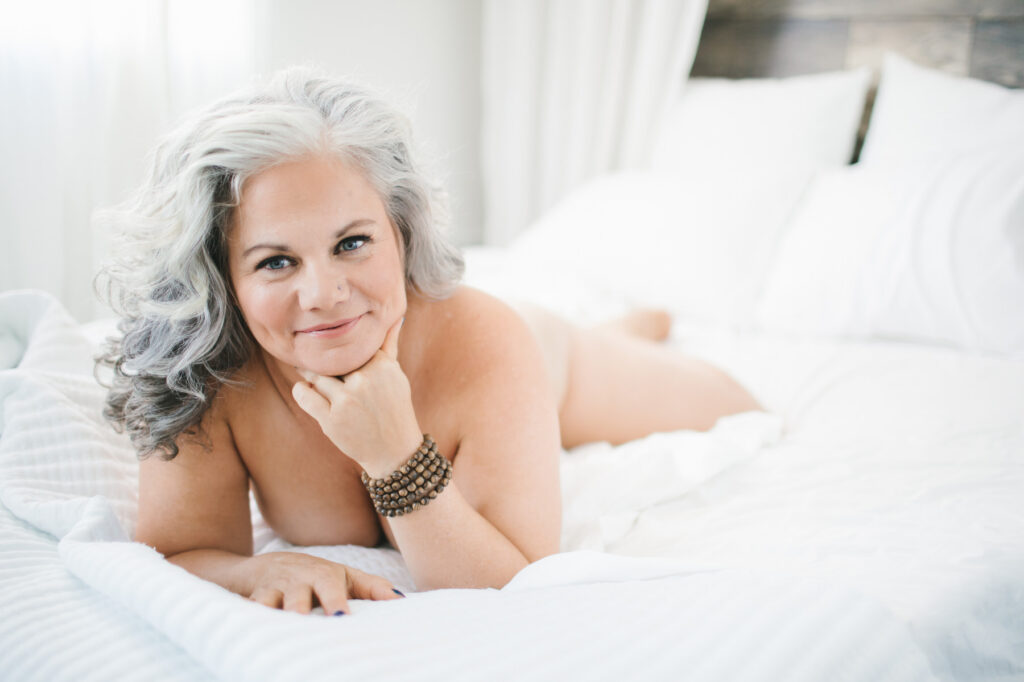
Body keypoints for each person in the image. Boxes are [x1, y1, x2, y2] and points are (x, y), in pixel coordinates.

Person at [98, 68, 760, 616]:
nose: (324, 293)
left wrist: (395, 455)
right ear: (222, 277)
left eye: (352, 243)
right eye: (276, 261)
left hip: (545, 357)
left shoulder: (488, 343)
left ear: (403, 233)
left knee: (736, 403)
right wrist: (249, 573)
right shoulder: (210, 371)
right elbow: (178, 552)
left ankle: (618, 332)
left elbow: (513, 588)